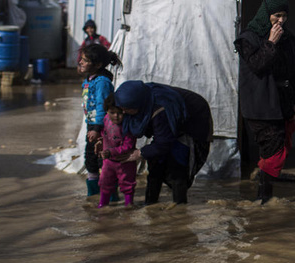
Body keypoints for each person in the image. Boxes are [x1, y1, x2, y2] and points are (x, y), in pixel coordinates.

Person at [234, 0, 295, 204]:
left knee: (278, 147)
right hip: (260, 104)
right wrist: (271, 43)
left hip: (282, 102)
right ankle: (264, 198)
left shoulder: (289, 39)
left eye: (284, 16)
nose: (280, 21)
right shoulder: (248, 38)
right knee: (272, 147)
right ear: (266, 14)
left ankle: (264, 195)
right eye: (276, 15)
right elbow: (257, 65)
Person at [116, 81, 214, 206]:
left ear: (137, 105)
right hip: (168, 127)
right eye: (121, 109)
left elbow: (163, 144)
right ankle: (150, 205)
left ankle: (180, 208)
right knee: (155, 166)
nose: (123, 113)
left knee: (178, 168)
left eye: (127, 109)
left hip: (192, 123)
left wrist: (140, 153)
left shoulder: (160, 110)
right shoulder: (141, 99)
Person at [78, 44, 122, 196]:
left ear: (97, 65)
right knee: (90, 160)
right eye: (82, 59)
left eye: (85, 60)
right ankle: (94, 195)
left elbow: (101, 106)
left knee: (103, 161)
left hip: (104, 128)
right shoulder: (89, 80)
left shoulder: (102, 82)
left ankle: (110, 196)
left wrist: (97, 129)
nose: (81, 62)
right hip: (93, 126)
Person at [94, 103, 137, 208]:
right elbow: (105, 133)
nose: (116, 116)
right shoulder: (106, 119)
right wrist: (100, 141)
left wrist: (110, 152)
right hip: (108, 161)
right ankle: (103, 205)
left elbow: (128, 145)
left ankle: (129, 205)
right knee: (105, 183)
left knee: (127, 184)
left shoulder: (128, 125)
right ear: (107, 112)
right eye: (112, 113)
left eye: (119, 113)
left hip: (125, 161)